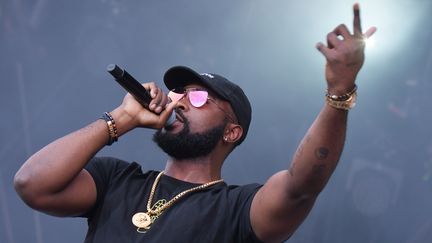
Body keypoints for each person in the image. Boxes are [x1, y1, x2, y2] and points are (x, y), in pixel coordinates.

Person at [14, 4, 376, 243]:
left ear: (232, 131)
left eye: (200, 97)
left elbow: (302, 186)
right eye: (178, 92)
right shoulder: (116, 180)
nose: (181, 100)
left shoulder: (238, 209)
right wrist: (121, 119)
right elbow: (33, 184)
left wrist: (338, 93)